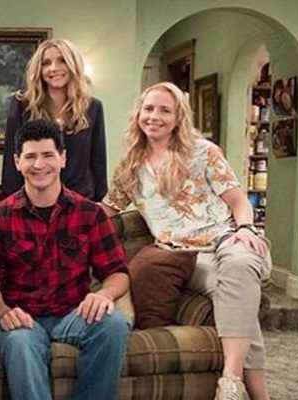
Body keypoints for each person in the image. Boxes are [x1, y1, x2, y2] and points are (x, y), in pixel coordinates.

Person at [101, 82, 272, 400]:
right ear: (138, 113)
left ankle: (231, 381)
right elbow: (105, 210)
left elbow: (238, 202)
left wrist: (247, 229)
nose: (154, 116)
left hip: (224, 242)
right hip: (182, 257)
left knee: (239, 269)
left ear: (178, 117)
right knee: (239, 301)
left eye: (165, 110)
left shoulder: (203, 152)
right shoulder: (130, 167)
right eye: (149, 109)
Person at [0, 119, 130, 400]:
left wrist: (105, 294)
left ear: (63, 158)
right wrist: (1, 310)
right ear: (17, 162)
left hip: (73, 314)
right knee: (20, 343)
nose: (39, 164)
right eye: (30, 156)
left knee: (114, 325)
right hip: (20, 316)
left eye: (48, 155)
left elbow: (118, 272)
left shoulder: (90, 213)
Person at [1, 39, 107, 201]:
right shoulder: (22, 105)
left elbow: (98, 162)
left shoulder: (92, 107)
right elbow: (11, 159)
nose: (53, 68)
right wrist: (13, 203)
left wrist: (100, 204)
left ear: (73, 65)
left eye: (62, 61)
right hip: (33, 201)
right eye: (46, 63)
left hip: (80, 202)